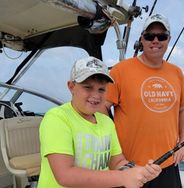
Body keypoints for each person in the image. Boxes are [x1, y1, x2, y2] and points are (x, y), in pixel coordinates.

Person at [38, 56, 161, 188]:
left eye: (101, 89)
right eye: (88, 87)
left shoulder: (106, 122)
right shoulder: (57, 118)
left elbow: (117, 162)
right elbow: (65, 176)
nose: (96, 95)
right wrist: (123, 177)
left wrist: (140, 171)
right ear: (71, 86)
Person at [103, 14, 184, 188]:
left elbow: (183, 109)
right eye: (150, 36)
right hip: (129, 166)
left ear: (169, 39)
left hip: (167, 164)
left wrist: (183, 143)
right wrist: (116, 156)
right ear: (142, 39)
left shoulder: (177, 72)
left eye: (162, 36)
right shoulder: (120, 70)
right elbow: (102, 109)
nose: (156, 40)